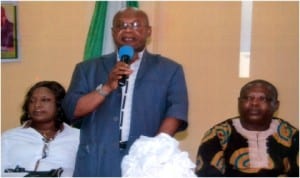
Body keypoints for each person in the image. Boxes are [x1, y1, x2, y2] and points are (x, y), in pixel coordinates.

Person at [62, 7, 188, 177]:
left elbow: (176, 112)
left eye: (136, 25)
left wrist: (153, 150)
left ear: (148, 31)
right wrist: (106, 87)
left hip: (145, 163)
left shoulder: (169, 69)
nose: (128, 30)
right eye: (121, 26)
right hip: (97, 161)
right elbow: (72, 111)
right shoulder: (87, 69)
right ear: (113, 32)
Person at [195, 79, 299, 177]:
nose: (254, 103)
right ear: (239, 102)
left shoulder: (291, 136)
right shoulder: (219, 134)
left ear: (276, 105)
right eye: (248, 98)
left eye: (262, 99)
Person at [1, 81, 80, 177]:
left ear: (59, 104)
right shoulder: (8, 138)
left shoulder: (78, 138)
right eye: (32, 101)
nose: (37, 105)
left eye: (45, 100)